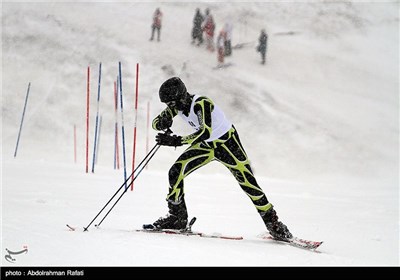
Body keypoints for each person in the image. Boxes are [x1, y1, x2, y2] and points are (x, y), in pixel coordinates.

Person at [143, 77, 293, 241]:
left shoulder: (201, 103)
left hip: (227, 144)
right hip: (207, 147)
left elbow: (205, 131)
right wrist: (162, 123)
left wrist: (178, 141)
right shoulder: (176, 107)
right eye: (167, 104)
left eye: (171, 103)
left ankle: (274, 223)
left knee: (249, 185)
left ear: (181, 97)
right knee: (175, 171)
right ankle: (177, 218)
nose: (169, 107)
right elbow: (155, 123)